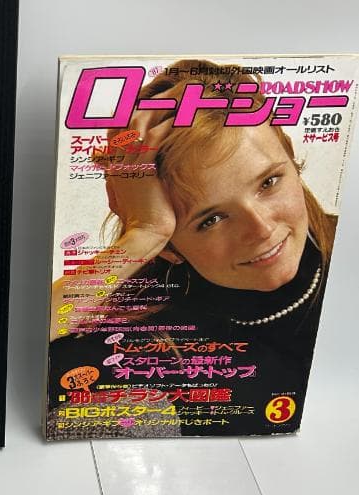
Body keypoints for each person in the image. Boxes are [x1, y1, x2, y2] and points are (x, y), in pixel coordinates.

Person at [47, 59, 336, 437]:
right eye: (210, 219)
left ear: (292, 160)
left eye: (269, 182)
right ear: (169, 247)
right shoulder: (136, 339)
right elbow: (6, 353)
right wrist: (143, 233)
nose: (262, 229)